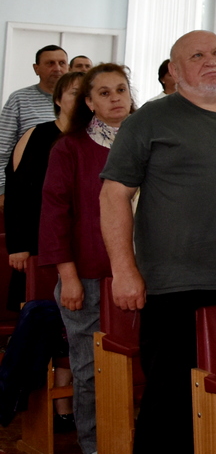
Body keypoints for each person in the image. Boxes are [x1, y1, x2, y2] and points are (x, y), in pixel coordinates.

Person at [100, 30, 216, 454]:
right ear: (174, 72)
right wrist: (124, 270)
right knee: (171, 405)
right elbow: (113, 195)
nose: (211, 60)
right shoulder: (150, 120)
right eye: (197, 56)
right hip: (176, 286)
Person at [39, 63, 134, 454]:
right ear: (90, 103)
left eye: (121, 89)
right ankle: (93, 445)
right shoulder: (70, 147)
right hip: (89, 276)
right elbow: (54, 215)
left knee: (143, 369)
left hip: (147, 276)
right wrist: (69, 277)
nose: (115, 98)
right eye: (105, 93)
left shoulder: (148, 141)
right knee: (90, 370)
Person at [6, 70, 83, 312]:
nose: (81, 99)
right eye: (74, 93)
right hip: (35, 236)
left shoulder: (93, 137)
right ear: (58, 99)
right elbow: (17, 192)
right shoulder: (36, 134)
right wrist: (18, 245)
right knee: (36, 309)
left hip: (79, 237)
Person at [0, 44, 68, 209]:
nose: (57, 68)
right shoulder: (19, 99)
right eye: (50, 63)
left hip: (67, 188)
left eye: (62, 63)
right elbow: (2, 149)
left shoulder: (82, 101)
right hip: (27, 189)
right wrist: (2, 190)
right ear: (36, 68)